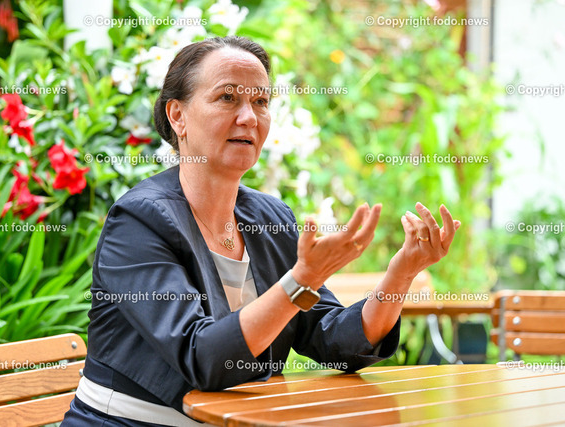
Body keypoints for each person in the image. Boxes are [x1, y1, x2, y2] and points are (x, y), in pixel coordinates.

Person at [62, 35, 460, 426]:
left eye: (261, 101)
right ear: (177, 116)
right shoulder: (138, 222)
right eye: (227, 97)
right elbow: (201, 357)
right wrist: (300, 281)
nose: (249, 117)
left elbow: (334, 341)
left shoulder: (270, 217)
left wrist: (401, 273)